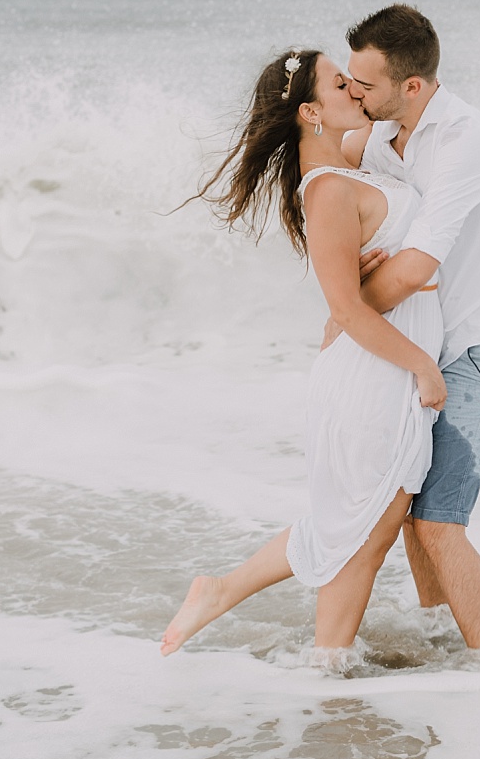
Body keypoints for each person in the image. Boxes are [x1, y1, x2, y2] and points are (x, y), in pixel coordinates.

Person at [161, 48, 447, 659]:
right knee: (365, 531)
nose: (359, 90)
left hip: (381, 365)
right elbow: (345, 310)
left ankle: (227, 594)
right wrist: (422, 364)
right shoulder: (328, 192)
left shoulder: (349, 165)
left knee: (356, 520)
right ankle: (327, 672)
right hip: (378, 374)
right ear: (313, 112)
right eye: (343, 84)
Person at [338, 4, 480, 651]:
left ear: (411, 87)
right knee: (413, 512)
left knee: (438, 522)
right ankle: (440, 636)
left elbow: (418, 263)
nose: (354, 94)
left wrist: (346, 309)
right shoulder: (385, 141)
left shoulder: (466, 139)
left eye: (366, 85)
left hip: (476, 349)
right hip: (422, 348)